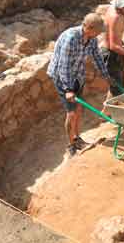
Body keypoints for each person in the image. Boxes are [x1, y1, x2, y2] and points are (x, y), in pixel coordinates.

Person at [47, 13, 113, 156]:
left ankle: (77, 138)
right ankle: (71, 145)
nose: (99, 34)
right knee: (71, 113)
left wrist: (106, 76)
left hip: (78, 75)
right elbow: (63, 66)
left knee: (78, 109)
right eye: (97, 31)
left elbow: (97, 57)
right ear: (89, 27)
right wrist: (68, 89)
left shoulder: (91, 39)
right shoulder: (71, 38)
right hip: (62, 78)